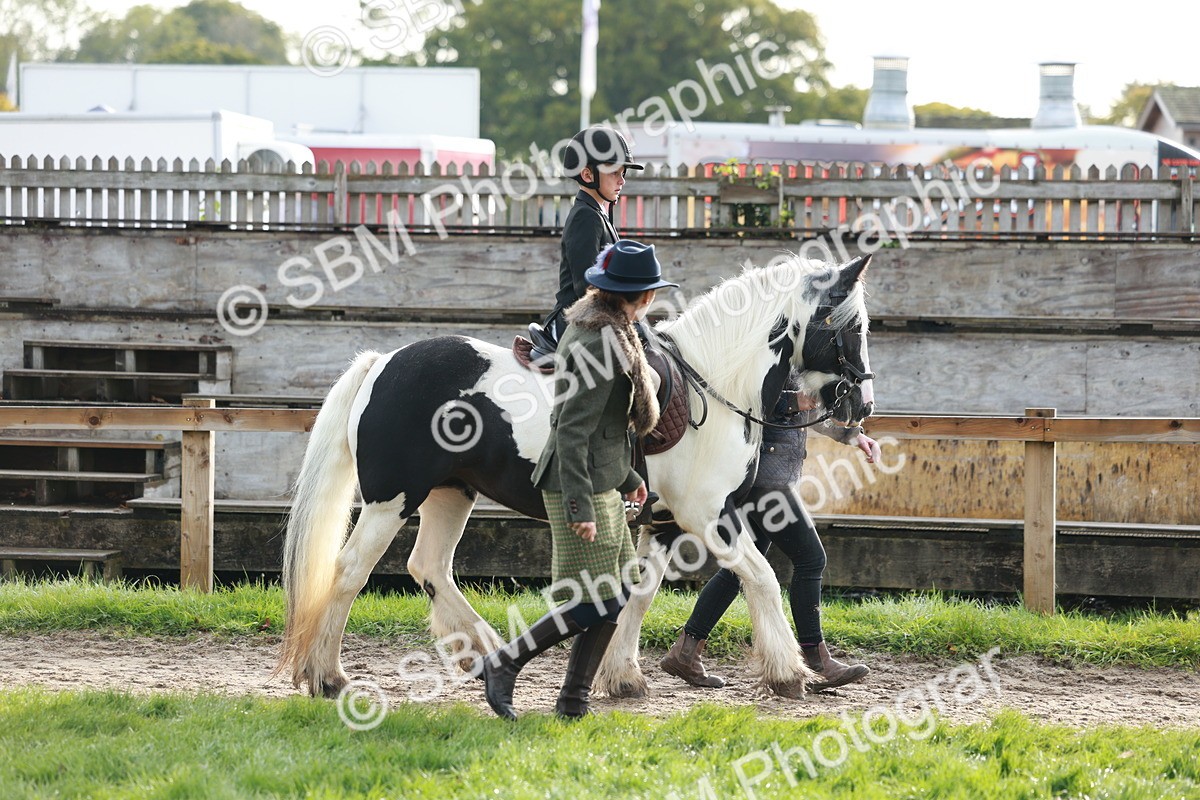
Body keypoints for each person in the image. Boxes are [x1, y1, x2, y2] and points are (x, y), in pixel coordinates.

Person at [481, 240, 678, 720]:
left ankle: (572, 701)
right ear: (639, 296)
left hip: (604, 480)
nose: (653, 299)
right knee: (595, 601)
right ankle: (504, 663)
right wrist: (578, 508)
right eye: (650, 291)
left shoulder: (609, 328)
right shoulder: (600, 342)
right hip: (579, 486)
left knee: (614, 595)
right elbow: (570, 430)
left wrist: (629, 475)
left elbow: (606, 426)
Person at [659, 375, 881, 695]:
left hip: (770, 477)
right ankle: (817, 661)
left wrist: (851, 435)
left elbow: (808, 416)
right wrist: (794, 401)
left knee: (739, 568)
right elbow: (744, 398)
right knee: (810, 559)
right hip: (765, 481)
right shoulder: (771, 342)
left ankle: (685, 652)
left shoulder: (798, 352)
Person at [542, 126, 644, 343]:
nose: (622, 180)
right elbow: (587, 286)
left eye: (623, 173)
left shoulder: (599, 213)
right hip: (576, 324)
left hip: (597, 317)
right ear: (588, 174)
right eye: (614, 172)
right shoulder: (585, 217)